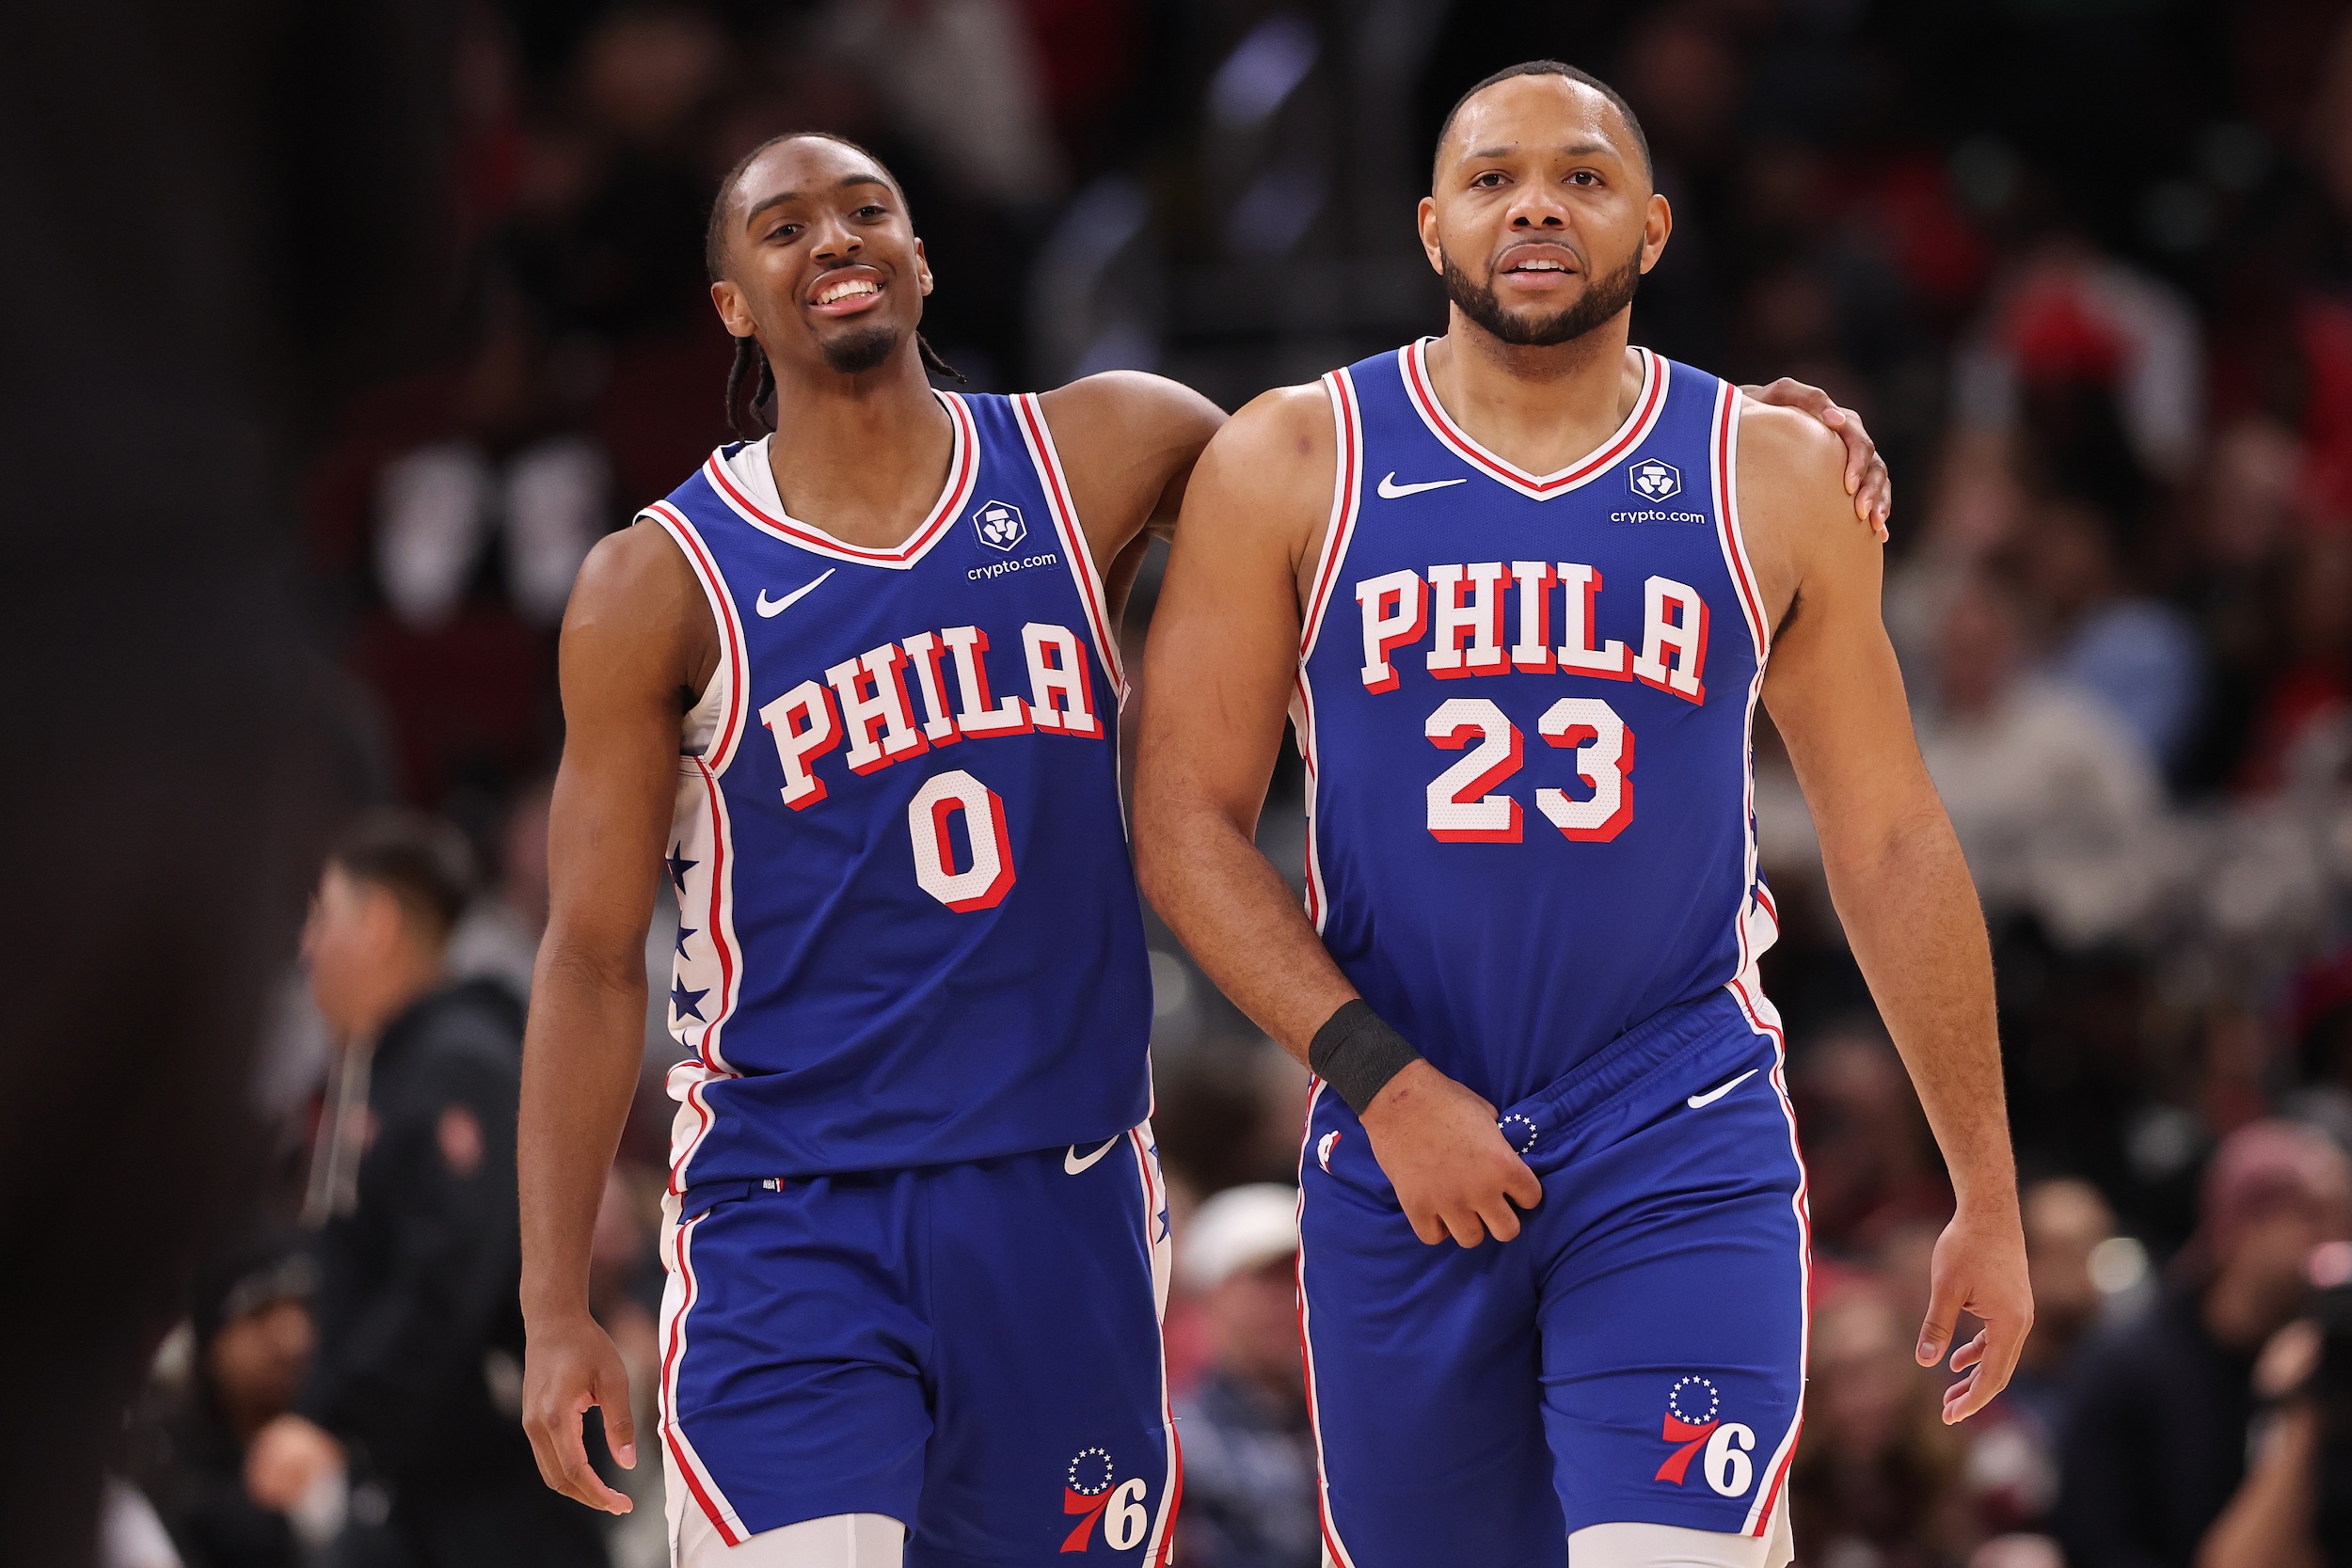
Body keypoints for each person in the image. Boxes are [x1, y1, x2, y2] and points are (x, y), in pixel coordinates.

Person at [513, 128, 1887, 1568]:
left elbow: (1395, 460)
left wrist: (1718, 436)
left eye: (869, 212)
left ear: (921, 255)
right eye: (785, 230)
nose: (838, 242)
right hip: (796, 1208)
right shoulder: (655, 584)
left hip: (1066, 1194)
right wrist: (554, 1302)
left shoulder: (1100, 449)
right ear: (732, 300)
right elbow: (592, 954)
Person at [1133, 60, 2030, 1568]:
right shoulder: (1293, 457)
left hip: (1674, 1126)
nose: (1537, 202)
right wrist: (1386, 1081)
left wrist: (1988, 1188)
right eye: (1493, 178)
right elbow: (1184, 823)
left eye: (1584, 176)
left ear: (1656, 229)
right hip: (1402, 1130)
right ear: (1429, 227)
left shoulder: (1771, 471)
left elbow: (1888, 838)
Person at [249, 810, 606, 1568]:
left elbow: (452, 1271)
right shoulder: (391, 1065)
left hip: (499, 1501)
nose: (308, 948)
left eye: (324, 918)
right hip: (426, 1489)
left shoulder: (457, 1062)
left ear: (378, 923)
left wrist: (332, 1414)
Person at [2057, 1119, 2352, 1568]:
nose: (2336, 1243)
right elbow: (2096, 1543)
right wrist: (2300, 1409)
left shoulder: (2330, 1354)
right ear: (2238, 1226)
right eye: (2311, 1217)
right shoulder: (2127, 1365)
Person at [1172, 1184, 1321, 1568]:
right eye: (1262, 1281)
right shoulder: (1175, 1440)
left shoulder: (1348, 1423)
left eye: (1295, 1278)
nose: (1285, 1300)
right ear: (1209, 1295)